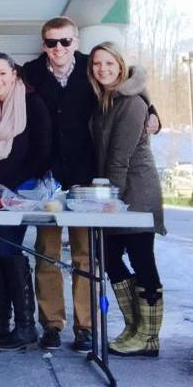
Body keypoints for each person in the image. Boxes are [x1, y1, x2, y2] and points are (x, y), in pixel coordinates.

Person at [22, 16, 161, 352]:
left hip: (88, 178)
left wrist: (154, 110)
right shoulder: (31, 73)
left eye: (65, 42)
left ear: (76, 41)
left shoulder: (92, 68)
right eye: (52, 43)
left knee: (86, 256)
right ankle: (52, 325)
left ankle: (86, 326)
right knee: (47, 255)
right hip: (48, 179)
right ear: (44, 45)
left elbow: (130, 83)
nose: (59, 49)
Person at [88, 41, 166, 357]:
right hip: (116, 192)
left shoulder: (132, 103)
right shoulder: (106, 99)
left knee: (141, 259)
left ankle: (149, 337)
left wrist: (109, 204)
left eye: (109, 64)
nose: (103, 69)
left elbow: (119, 158)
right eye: (97, 64)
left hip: (136, 193)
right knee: (108, 257)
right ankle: (134, 327)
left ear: (121, 66)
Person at [0, 53, 51, 351]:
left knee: (9, 248)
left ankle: (26, 326)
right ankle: (0, 324)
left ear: (14, 74)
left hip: (20, 189)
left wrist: (16, 185)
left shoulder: (32, 103)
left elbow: (42, 149)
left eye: (2, 74)